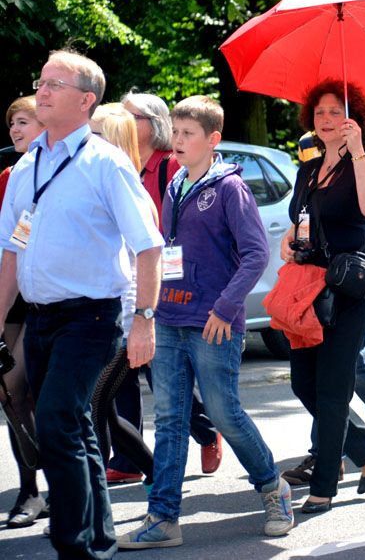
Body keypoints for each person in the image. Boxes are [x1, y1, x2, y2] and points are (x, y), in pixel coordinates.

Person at [0, 50, 163, 558]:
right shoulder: (27, 166)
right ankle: (98, 540)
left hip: (92, 316)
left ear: (86, 100)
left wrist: (144, 320)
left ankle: (75, 547)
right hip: (41, 318)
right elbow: (12, 250)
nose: (42, 91)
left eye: (55, 84)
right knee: (75, 426)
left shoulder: (105, 163)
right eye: (41, 82)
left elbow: (149, 246)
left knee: (55, 421)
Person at [118, 96, 292, 548]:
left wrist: (225, 308)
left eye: (187, 134)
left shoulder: (231, 188)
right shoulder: (175, 183)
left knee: (223, 413)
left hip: (214, 322)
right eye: (175, 132)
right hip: (169, 317)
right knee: (170, 419)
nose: (177, 141)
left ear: (212, 139)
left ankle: (273, 487)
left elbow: (255, 254)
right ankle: (163, 518)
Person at [282, 96, 365, 486]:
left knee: (335, 378)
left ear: (353, 118)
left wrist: (356, 151)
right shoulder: (308, 161)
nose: (326, 119)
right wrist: (291, 237)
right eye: (319, 113)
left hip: (351, 280)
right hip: (309, 281)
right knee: (305, 381)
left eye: (335, 112)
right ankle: (362, 442)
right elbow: (306, 215)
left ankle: (325, 478)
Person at [120, 91, 224, 482]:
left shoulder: (170, 166)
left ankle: (207, 430)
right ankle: (127, 458)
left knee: (158, 371)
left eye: (133, 117)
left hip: (165, 277)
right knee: (122, 370)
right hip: (127, 276)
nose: (125, 123)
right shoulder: (122, 165)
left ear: (153, 124)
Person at [86, 106, 158, 489]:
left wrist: (138, 323)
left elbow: (146, 258)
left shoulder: (128, 189)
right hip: (100, 316)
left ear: (112, 141)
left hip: (122, 318)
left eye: (95, 134)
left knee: (96, 404)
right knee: (105, 410)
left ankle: (90, 491)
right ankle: (159, 473)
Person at [0, 95, 48, 529]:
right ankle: (31, 490)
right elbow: (10, 239)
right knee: (10, 392)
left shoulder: (58, 172)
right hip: (11, 289)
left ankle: (151, 472)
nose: (15, 130)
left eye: (23, 122)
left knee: (23, 390)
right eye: (12, 123)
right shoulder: (10, 174)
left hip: (49, 296)